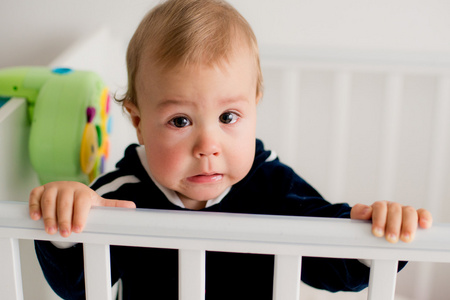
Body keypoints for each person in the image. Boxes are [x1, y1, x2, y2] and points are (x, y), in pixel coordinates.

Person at [29, 0, 433, 299]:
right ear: (137, 121)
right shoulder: (121, 194)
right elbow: (76, 285)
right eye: (180, 121)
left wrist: (379, 234)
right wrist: (67, 219)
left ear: (254, 105)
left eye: (228, 117)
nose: (208, 146)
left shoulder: (270, 184)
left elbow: (329, 260)